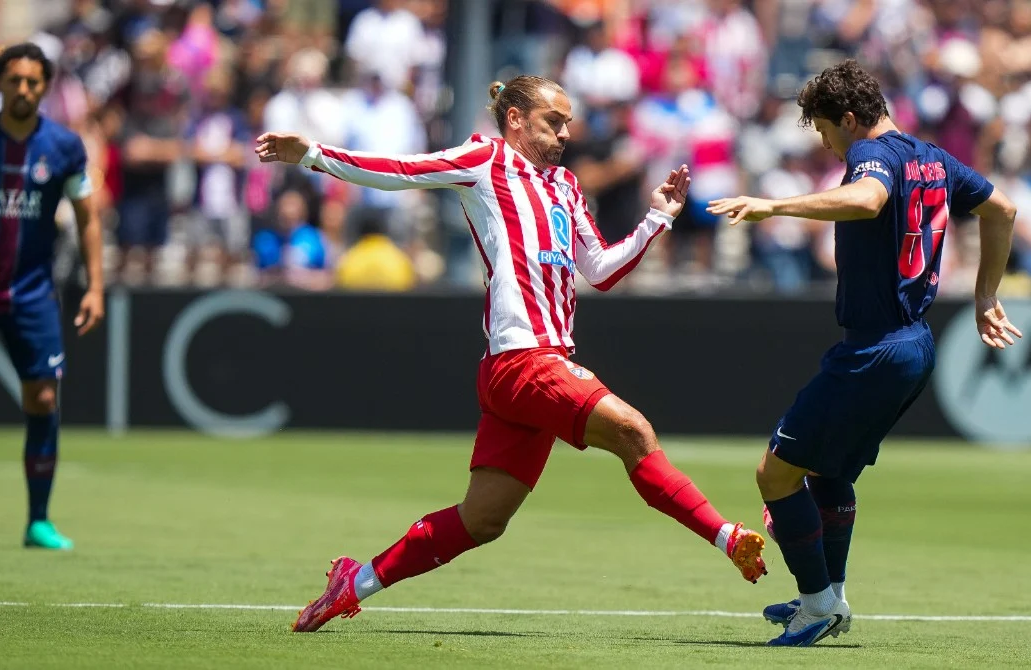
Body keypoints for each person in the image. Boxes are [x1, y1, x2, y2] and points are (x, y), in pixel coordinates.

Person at [255, 74, 768, 633]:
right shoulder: (485, 159)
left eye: (568, 123)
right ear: (517, 119)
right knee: (633, 431)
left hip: (529, 369)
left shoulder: (566, 186)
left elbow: (600, 271)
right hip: (525, 359)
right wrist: (312, 154)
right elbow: (400, 170)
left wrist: (657, 218)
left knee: (483, 519)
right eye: (554, 121)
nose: (566, 133)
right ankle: (727, 537)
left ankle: (353, 583)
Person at [708, 59, 1022, 647]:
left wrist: (775, 206)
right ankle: (830, 596)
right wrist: (986, 296)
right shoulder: (932, 156)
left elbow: (869, 198)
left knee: (775, 475)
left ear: (850, 120)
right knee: (827, 474)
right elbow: (1002, 208)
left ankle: (817, 604)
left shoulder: (871, 155)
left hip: (875, 347)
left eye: (826, 132)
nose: (827, 145)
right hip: (914, 343)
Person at [0, 43, 104, 550]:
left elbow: (88, 219)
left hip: (32, 293)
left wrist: (95, 286)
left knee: (43, 397)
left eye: (32, 81)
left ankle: (38, 521)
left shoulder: (64, 146)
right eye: (14, 80)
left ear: (45, 87)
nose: (23, 89)